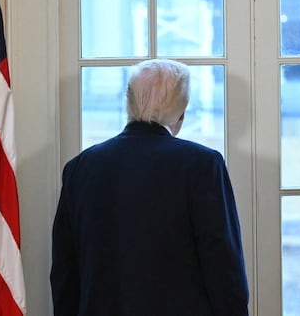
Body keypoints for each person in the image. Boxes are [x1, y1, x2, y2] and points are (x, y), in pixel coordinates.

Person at [50, 59, 249, 316]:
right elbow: (223, 269)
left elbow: (65, 275)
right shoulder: (203, 166)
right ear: (181, 114)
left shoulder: (79, 168)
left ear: (129, 105)